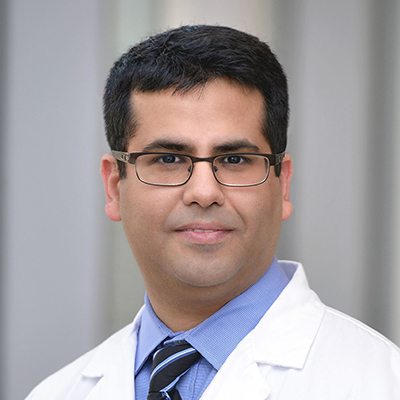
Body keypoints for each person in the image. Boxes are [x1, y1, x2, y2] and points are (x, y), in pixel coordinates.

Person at [26, 25, 400, 400]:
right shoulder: (56, 394)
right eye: (168, 159)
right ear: (114, 186)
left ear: (282, 183)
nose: (204, 193)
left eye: (235, 159)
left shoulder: (381, 383)